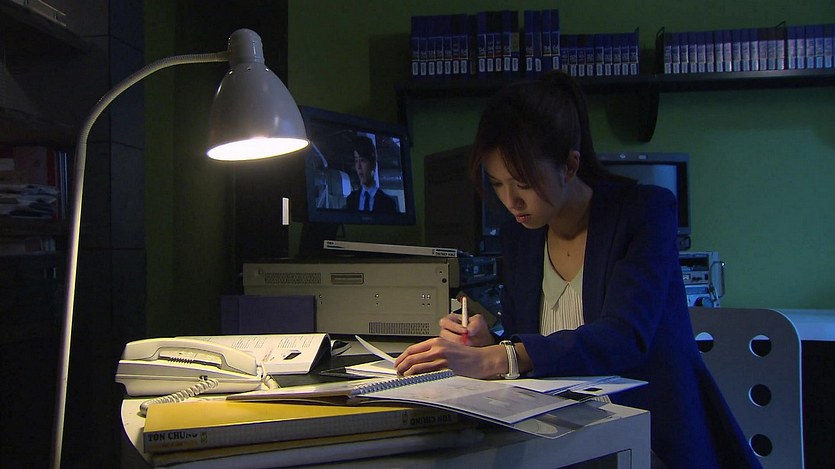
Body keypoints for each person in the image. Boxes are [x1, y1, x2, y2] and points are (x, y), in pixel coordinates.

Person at [394, 71, 761, 469]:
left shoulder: (644, 212)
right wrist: (488, 344)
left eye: (523, 183)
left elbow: (623, 338)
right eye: (497, 184)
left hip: (650, 439)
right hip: (557, 437)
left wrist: (500, 357)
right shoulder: (522, 234)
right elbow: (536, 348)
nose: (511, 201)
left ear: (569, 165)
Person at [345, 135, 398, 213]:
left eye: (363, 160)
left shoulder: (388, 203)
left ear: (372, 163)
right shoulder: (351, 199)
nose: (359, 167)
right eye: (356, 160)